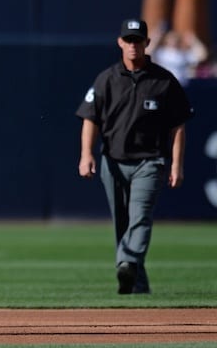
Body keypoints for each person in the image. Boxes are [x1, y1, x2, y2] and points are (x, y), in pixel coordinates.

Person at [75, 19, 193, 294]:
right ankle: (135, 281)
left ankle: (126, 262)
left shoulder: (163, 81)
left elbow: (178, 125)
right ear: (120, 43)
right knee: (122, 221)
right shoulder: (106, 79)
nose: (133, 46)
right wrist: (86, 155)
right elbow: (90, 119)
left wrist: (177, 164)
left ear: (147, 43)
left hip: (149, 160)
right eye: (128, 40)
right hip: (113, 161)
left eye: (137, 40)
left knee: (140, 216)